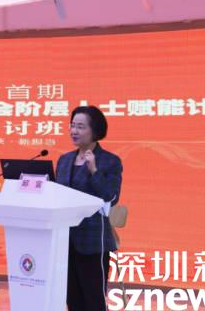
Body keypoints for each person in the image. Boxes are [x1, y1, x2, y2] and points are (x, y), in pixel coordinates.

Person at [55, 105, 123, 311]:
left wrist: (94, 171)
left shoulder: (109, 161)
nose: (74, 131)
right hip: (64, 239)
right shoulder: (64, 160)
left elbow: (111, 197)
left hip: (92, 241)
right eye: (72, 126)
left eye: (80, 127)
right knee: (73, 299)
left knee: (93, 301)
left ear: (95, 131)